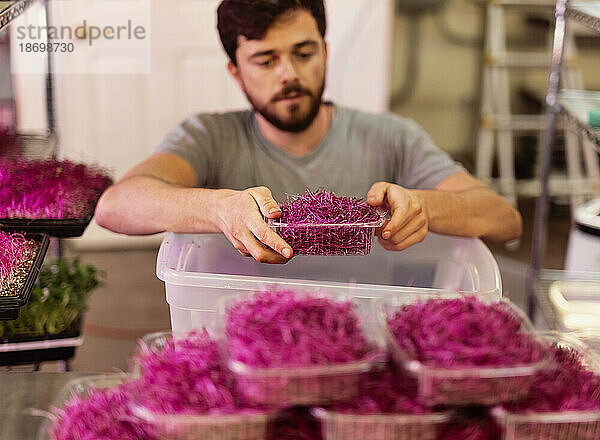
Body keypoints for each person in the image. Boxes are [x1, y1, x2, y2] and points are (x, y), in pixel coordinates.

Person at [95, 0, 522, 264]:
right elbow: (115, 205)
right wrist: (221, 209)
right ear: (236, 72)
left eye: (304, 53)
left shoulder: (390, 136)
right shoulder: (209, 136)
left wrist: (423, 207)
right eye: (265, 61)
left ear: (325, 52)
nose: (290, 75)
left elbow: (505, 219)